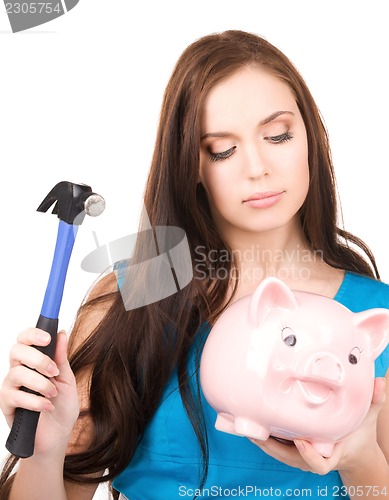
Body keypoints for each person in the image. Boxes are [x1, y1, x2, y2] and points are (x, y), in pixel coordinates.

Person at [0, 29, 388, 500]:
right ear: (191, 167)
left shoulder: (376, 319)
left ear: (310, 136)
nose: (257, 167)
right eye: (222, 149)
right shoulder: (128, 303)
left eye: (278, 134)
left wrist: (360, 458)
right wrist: (45, 452)